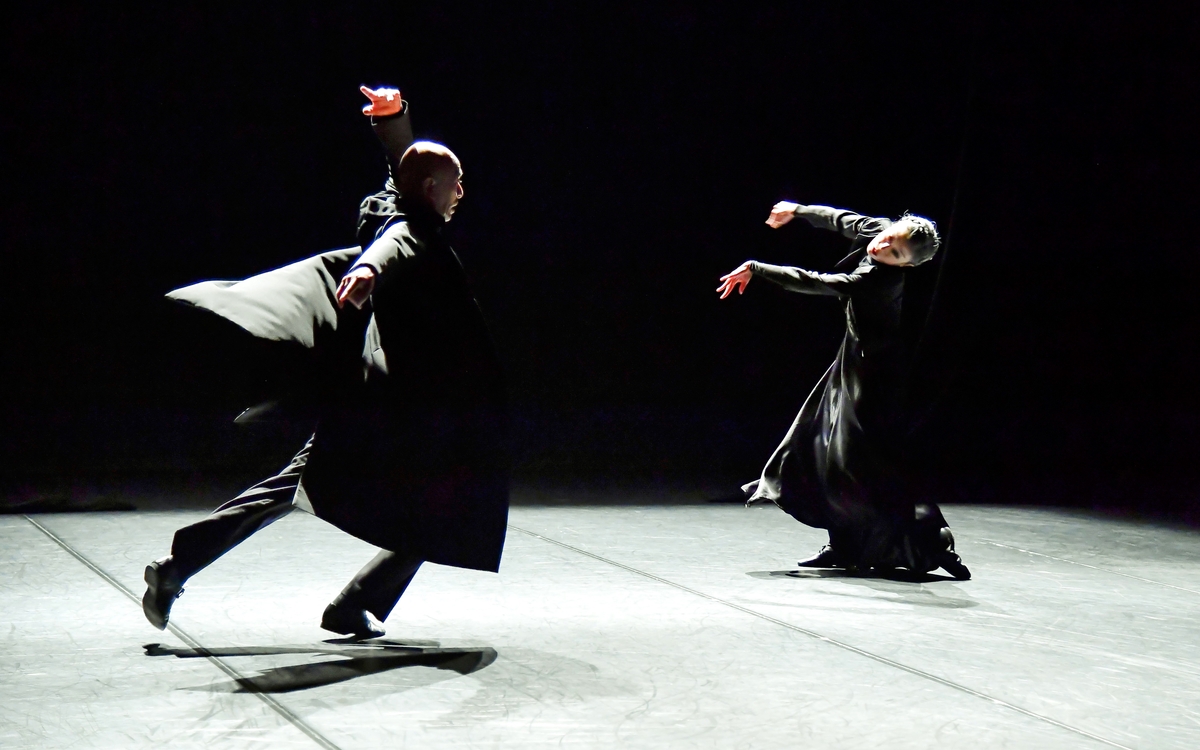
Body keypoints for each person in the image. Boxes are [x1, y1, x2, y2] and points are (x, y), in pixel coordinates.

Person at [142, 87, 509, 639]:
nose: (463, 191)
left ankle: (178, 570)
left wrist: (393, 121)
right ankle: (349, 601)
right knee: (446, 494)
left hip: (386, 397)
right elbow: (398, 241)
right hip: (396, 406)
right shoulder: (414, 230)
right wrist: (369, 270)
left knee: (302, 488)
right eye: (454, 183)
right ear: (433, 190)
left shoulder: (400, 201)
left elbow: (402, 173)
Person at [716, 201, 969, 579]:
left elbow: (817, 282)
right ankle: (845, 545)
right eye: (887, 238)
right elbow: (840, 220)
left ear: (907, 265)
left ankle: (933, 542)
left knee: (860, 466)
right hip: (850, 364)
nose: (882, 247)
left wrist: (757, 268)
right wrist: (798, 210)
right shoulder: (880, 232)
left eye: (894, 252)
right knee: (822, 450)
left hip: (873, 379)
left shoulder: (876, 282)